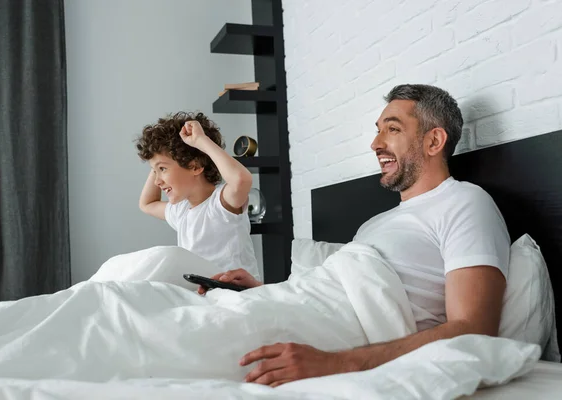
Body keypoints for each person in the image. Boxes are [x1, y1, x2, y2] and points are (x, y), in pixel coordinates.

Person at [209, 84, 511, 387]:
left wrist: (338, 362)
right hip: (289, 311)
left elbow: (475, 330)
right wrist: (261, 291)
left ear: (434, 141)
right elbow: (334, 293)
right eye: (378, 130)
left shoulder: (464, 202)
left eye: (392, 129)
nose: (375, 143)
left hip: (334, 342)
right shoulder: (374, 224)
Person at [136, 111, 260, 281]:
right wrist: (155, 157)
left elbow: (241, 179)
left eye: (163, 169)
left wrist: (201, 141)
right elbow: (147, 204)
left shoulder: (221, 204)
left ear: (195, 167)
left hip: (237, 291)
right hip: (203, 294)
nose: (157, 181)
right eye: (154, 171)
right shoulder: (180, 211)